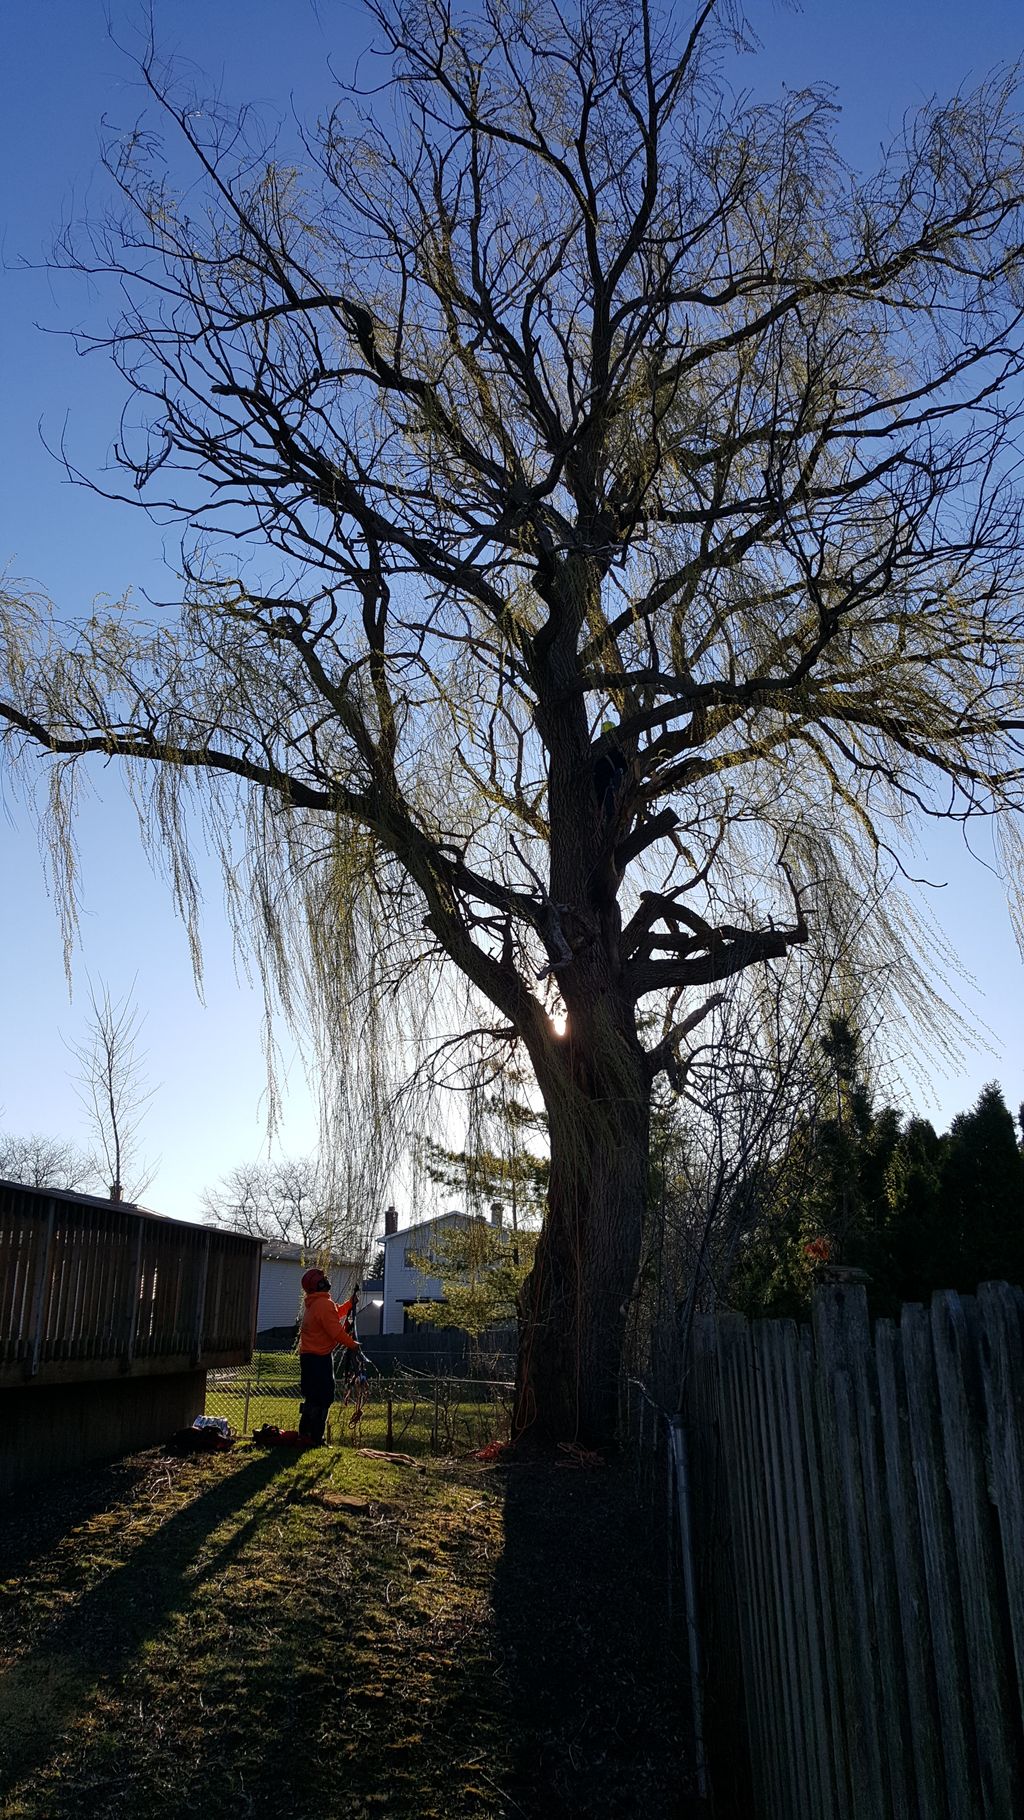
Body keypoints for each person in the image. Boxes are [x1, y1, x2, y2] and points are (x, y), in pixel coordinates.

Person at [297, 1266, 359, 1444]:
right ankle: (315, 1437)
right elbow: (336, 1332)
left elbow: (334, 1315)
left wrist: (349, 1304)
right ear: (319, 1284)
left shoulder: (317, 1304)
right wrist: (353, 1345)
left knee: (312, 1396)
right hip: (319, 1359)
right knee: (323, 1397)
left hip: (310, 1358)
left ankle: (305, 1434)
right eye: (323, 1278)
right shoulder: (323, 1304)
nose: (327, 1279)